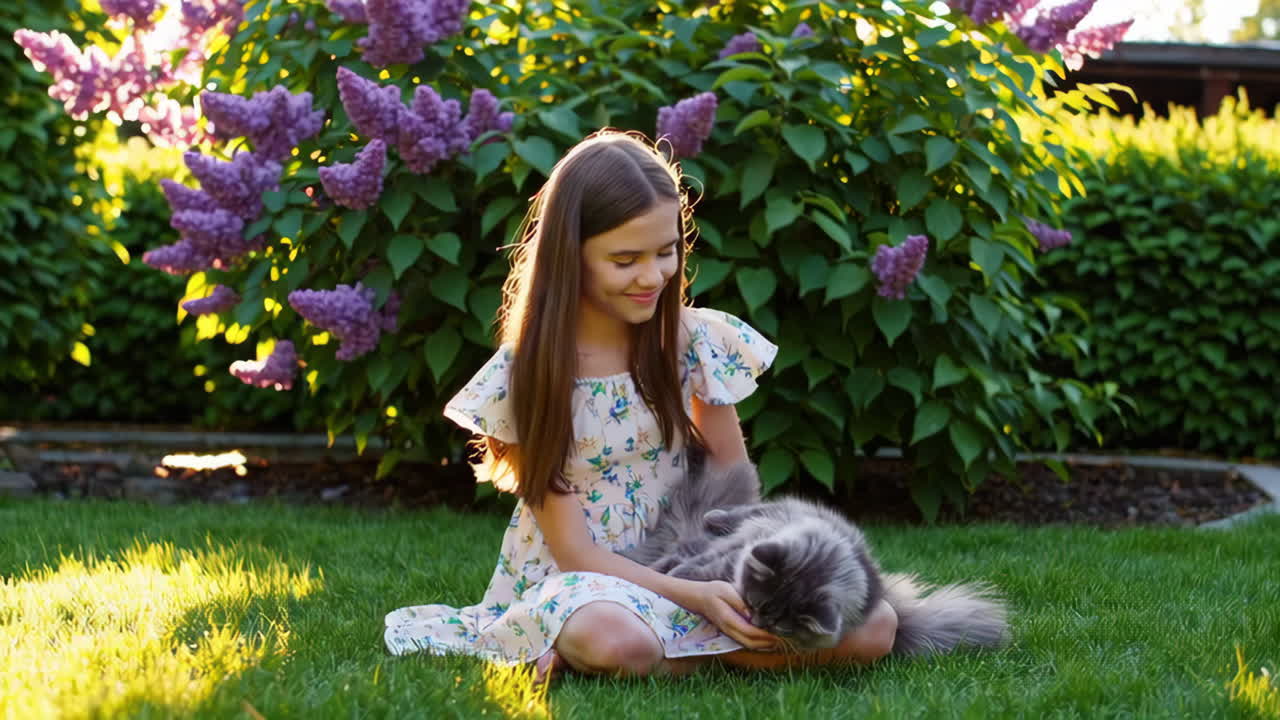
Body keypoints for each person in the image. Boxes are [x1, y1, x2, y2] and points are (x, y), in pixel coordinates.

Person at [384, 130, 898, 679]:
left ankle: (657, 658)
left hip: (692, 558)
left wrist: (729, 573)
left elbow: (732, 476)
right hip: (585, 583)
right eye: (625, 259)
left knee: (878, 626)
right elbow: (576, 553)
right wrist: (694, 598)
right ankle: (644, 651)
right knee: (615, 640)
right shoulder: (531, 373)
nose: (653, 276)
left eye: (666, 251)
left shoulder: (693, 341)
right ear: (570, 257)